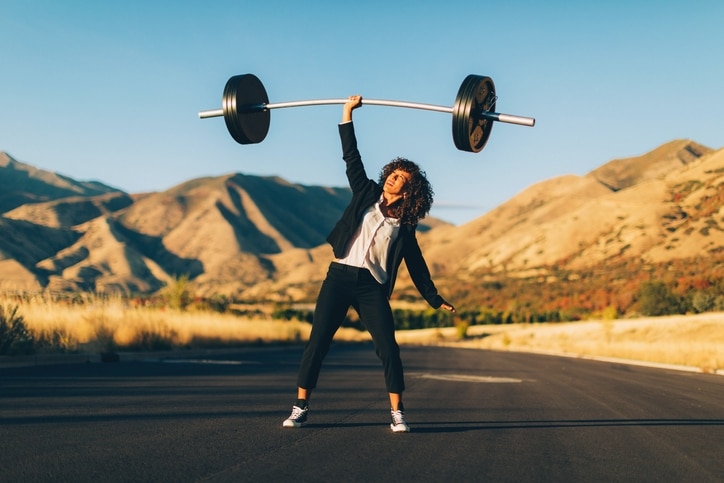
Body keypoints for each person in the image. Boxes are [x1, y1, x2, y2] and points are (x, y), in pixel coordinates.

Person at [282, 94, 456, 433]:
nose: (392, 178)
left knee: (388, 348)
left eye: (400, 178)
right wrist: (347, 113)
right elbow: (351, 156)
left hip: (370, 288)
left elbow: (417, 267)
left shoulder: (405, 227)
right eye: (392, 173)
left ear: (408, 191)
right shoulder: (365, 193)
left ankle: (397, 413)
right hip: (338, 278)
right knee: (317, 343)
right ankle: (300, 407)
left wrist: (434, 298)